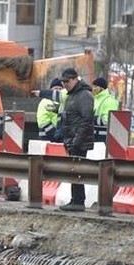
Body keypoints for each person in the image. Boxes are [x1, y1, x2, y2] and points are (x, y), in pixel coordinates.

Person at [58, 68, 95, 212]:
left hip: (79, 140)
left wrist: (77, 141)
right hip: (73, 139)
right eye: (63, 82)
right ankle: (76, 199)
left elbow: (86, 120)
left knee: (77, 170)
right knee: (74, 170)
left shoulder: (84, 95)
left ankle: (79, 201)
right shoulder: (73, 95)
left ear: (75, 79)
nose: (65, 84)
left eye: (67, 81)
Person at [91, 77, 119, 142]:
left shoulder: (110, 101)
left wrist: (92, 119)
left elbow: (107, 120)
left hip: (103, 138)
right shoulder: (95, 99)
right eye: (93, 86)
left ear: (102, 88)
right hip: (94, 136)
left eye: (95, 86)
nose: (93, 89)